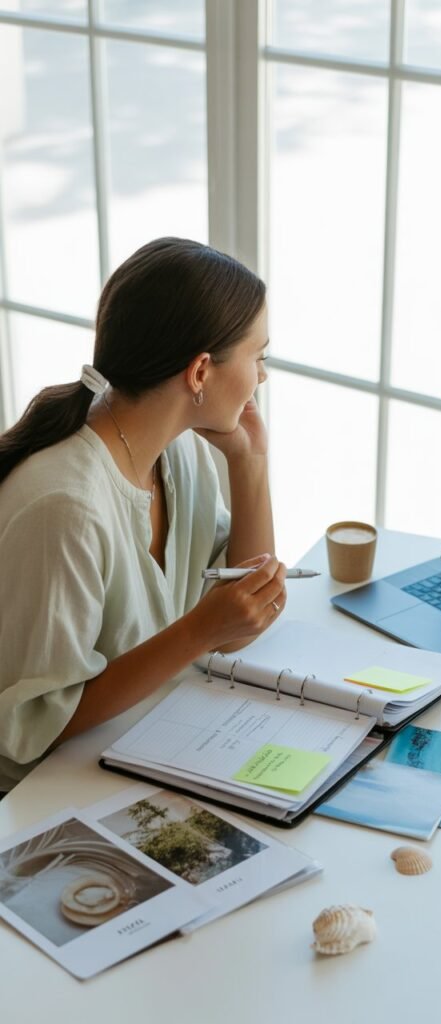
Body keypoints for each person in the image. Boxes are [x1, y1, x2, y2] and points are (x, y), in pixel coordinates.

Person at [0, 236, 287, 793]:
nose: (262, 378)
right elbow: (36, 724)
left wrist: (249, 463)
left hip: (140, 747)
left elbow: (239, 628)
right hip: (43, 794)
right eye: (259, 358)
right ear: (200, 371)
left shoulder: (180, 452)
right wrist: (199, 630)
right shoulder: (66, 509)